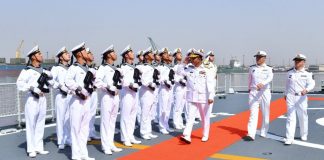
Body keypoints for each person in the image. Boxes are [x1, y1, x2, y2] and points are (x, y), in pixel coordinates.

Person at [17, 45, 51, 158]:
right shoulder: (26, 70)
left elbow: (51, 82)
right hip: (32, 99)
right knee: (31, 124)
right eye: (39, 54)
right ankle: (31, 149)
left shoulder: (44, 70)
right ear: (33, 57)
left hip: (42, 99)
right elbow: (20, 84)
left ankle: (39, 147)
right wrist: (32, 88)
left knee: (41, 123)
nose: (41, 55)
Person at [65, 42, 95, 160]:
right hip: (77, 102)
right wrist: (79, 89)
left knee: (84, 128)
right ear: (79, 54)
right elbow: (67, 81)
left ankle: (84, 154)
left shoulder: (88, 68)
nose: (86, 53)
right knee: (75, 128)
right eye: (84, 51)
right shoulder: (74, 68)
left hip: (86, 101)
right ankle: (76, 155)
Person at [179, 50, 215, 144]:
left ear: (199, 59)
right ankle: (186, 135)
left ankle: (205, 135)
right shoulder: (189, 69)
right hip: (192, 97)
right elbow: (179, 72)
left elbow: (210, 84)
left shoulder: (206, 70)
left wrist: (211, 96)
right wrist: (184, 62)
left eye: (194, 58)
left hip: (203, 98)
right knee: (190, 117)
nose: (192, 59)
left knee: (204, 117)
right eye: (191, 58)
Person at [94, 45, 123, 155]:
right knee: (106, 122)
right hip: (107, 97)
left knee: (112, 122)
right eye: (113, 52)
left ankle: (111, 144)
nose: (115, 54)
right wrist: (107, 87)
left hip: (115, 97)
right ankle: (105, 146)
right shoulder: (103, 68)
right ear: (108, 55)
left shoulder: (115, 69)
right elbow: (97, 82)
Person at [284, 54, 315, 145]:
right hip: (290, 96)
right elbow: (287, 84)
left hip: (301, 97)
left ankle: (304, 134)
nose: (296, 62)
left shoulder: (308, 73)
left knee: (302, 116)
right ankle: (289, 137)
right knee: (290, 117)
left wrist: (307, 90)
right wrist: (285, 94)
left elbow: (312, 84)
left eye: (299, 60)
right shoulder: (289, 72)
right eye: (296, 60)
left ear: (303, 62)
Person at [245, 51, 273, 141]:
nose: (257, 59)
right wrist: (249, 88)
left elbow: (270, 78)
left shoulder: (269, 68)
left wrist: (263, 83)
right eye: (256, 57)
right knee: (253, 114)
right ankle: (251, 134)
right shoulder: (252, 68)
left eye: (259, 57)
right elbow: (249, 79)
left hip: (264, 92)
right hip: (253, 93)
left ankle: (264, 132)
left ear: (264, 58)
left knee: (265, 113)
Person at [119, 45, 142, 147]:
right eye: (131, 52)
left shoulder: (134, 67)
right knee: (125, 116)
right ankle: (124, 138)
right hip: (127, 93)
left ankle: (130, 135)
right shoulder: (122, 67)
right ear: (126, 55)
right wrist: (131, 84)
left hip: (134, 94)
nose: (133, 54)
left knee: (133, 116)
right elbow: (121, 81)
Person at [51, 46, 72, 149]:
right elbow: (50, 80)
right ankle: (61, 141)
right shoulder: (56, 68)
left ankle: (68, 138)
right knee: (60, 118)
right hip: (61, 96)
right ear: (60, 57)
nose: (68, 55)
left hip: (70, 96)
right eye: (65, 53)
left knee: (69, 118)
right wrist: (59, 86)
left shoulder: (71, 68)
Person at [138, 47, 159, 140]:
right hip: (145, 93)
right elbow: (143, 80)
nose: (153, 55)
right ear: (146, 56)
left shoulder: (152, 67)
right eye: (150, 54)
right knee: (145, 113)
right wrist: (151, 84)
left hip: (152, 92)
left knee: (150, 113)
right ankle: (143, 132)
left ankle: (148, 131)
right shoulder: (143, 67)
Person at [156, 48, 175, 134]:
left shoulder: (169, 67)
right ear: (161, 56)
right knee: (162, 109)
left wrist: (171, 82)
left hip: (170, 89)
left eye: (167, 53)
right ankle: (161, 126)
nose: (167, 55)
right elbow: (158, 79)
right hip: (163, 89)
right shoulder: (159, 67)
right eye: (164, 54)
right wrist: (165, 81)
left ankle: (166, 125)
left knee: (168, 108)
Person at [85, 48, 101, 141]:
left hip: (94, 92)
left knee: (92, 114)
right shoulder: (84, 68)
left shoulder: (93, 68)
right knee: (86, 114)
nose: (92, 55)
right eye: (90, 54)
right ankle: (85, 134)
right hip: (87, 93)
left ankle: (91, 132)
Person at [203, 51, 217, 118]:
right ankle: (205, 113)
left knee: (211, 99)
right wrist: (206, 59)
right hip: (207, 85)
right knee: (206, 100)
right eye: (211, 56)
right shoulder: (206, 64)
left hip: (213, 84)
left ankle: (209, 112)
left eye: (213, 56)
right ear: (208, 57)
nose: (213, 57)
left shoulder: (214, 65)